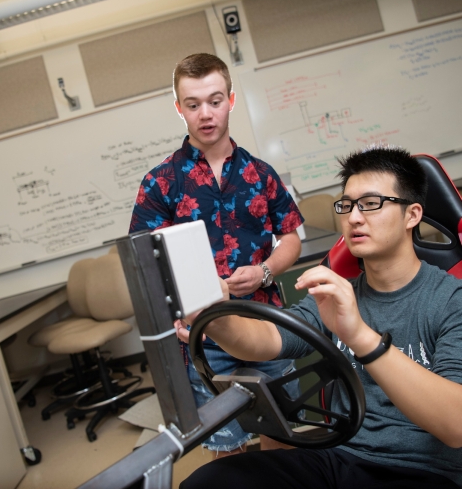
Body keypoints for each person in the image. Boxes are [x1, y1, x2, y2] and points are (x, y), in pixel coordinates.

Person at [179, 145, 462, 488]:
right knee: (211, 481)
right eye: (347, 205)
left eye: (371, 204)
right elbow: (267, 339)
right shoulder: (338, 294)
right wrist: (216, 317)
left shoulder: (451, 301)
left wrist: (358, 334)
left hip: (422, 470)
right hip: (337, 457)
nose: (354, 217)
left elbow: (455, 426)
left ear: (412, 214)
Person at [129, 53, 304, 456]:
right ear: (179, 108)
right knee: (229, 453)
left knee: (283, 443)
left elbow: (291, 237)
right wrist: (176, 314)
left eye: (215, 100)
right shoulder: (160, 182)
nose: (206, 114)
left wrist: (264, 271)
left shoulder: (260, 173)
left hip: (266, 324)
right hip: (204, 336)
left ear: (231, 100)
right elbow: (145, 264)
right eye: (193, 104)